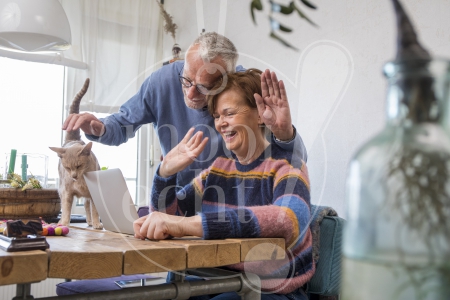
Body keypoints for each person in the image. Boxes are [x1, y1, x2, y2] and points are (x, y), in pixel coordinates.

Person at [134, 69, 314, 300]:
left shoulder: (288, 165)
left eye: (229, 113)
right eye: (217, 116)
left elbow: (287, 220)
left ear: (260, 114)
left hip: (271, 289)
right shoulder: (219, 169)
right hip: (219, 279)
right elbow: (168, 216)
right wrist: (165, 173)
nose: (221, 124)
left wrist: (186, 225)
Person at [62, 32, 307, 189]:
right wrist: (101, 128)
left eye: (204, 88)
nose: (190, 94)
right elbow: (124, 123)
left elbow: (293, 163)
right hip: (181, 198)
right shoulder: (163, 81)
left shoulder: (244, 92)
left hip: (233, 202)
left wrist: (284, 132)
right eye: (187, 81)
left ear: (227, 80)